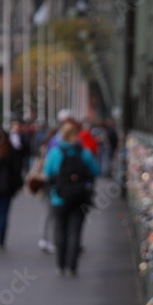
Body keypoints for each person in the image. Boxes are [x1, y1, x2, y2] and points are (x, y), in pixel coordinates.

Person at [43, 119, 99, 277]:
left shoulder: (55, 152)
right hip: (80, 197)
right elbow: (95, 170)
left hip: (59, 197)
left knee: (60, 229)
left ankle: (60, 264)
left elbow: (48, 172)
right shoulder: (84, 152)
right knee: (75, 231)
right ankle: (72, 266)